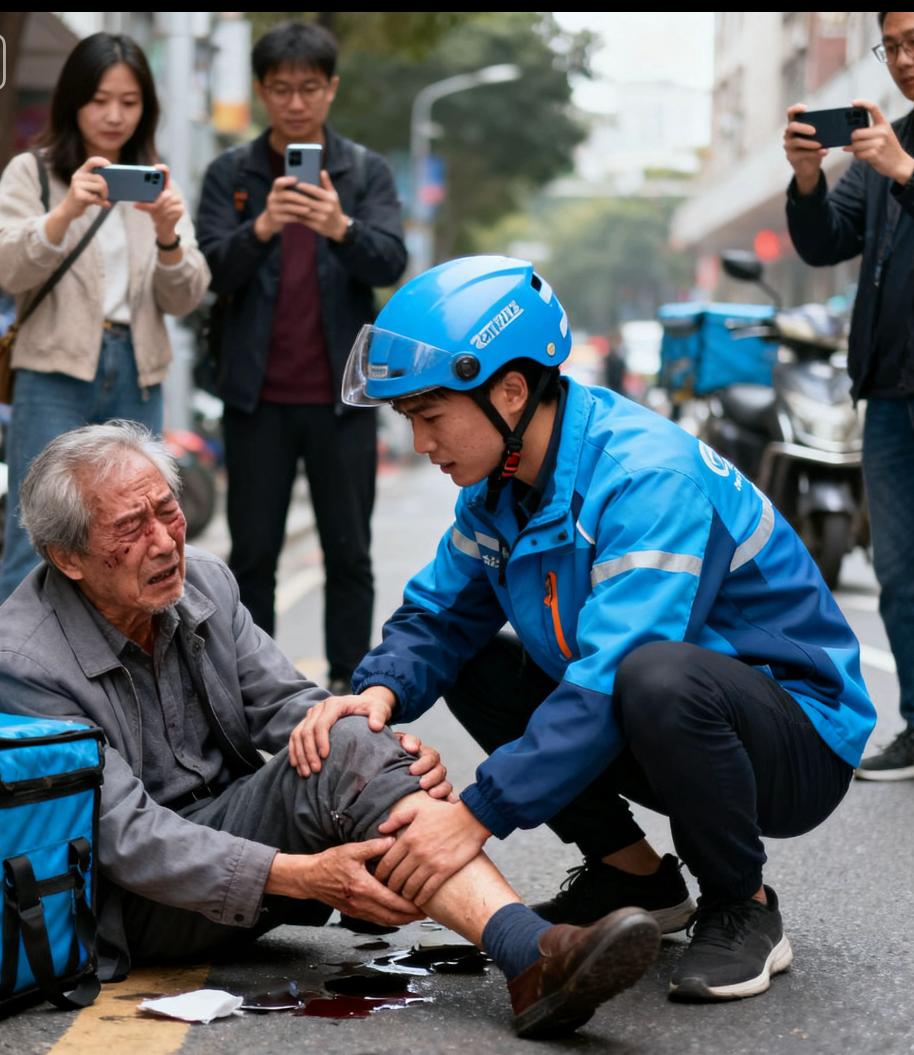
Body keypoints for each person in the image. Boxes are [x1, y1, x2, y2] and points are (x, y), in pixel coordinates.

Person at [295, 255, 876, 1002]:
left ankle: (742, 905)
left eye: (430, 417)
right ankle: (630, 875)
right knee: (473, 661)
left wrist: (473, 816)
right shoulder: (500, 488)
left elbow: (612, 676)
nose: (421, 445)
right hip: (660, 718)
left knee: (654, 674)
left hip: (793, 739)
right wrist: (376, 693)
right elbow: (439, 616)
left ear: (508, 390)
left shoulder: (643, 477)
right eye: (411, 421)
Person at [0, 421, 661, 1039]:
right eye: (132, 526)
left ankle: (532, 954)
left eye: (166, 509)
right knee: (344, 758)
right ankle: (529, 949)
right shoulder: (25, 659)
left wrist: (386, 750)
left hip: (232, 840)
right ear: (69, 557)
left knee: (347, 736)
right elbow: (126, 839)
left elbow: (296, 708)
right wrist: (300, 875)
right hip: (139, 899)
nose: (166, 540)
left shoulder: (203, 582)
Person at [195, 21, 406, 693]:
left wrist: (338, 226)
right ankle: (252, 692)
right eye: (281, 88)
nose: (294, 102)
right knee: (252, 556)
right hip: (255, 397)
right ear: (261, 91)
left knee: (350, 553)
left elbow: (390, 259)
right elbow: (206, 272)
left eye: (309, 88)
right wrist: (261, 226)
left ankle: (348, 684)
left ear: (331, 89)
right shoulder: (231, 174)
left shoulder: (364, 171)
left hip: (342, 397)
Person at [0, 31, 209, 601]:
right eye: (99, 99)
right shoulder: (34, 173)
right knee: (35, 533)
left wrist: (167, 236)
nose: (114, 115)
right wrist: (66, 211)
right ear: (73, 101)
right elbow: (8, 266)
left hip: (136, 373)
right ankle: (17, 682)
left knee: (138, 532)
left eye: (129, 101)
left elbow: (186, 296)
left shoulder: (158, 183)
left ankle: (113, 676)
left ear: (146, 108)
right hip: (54, 371)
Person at [784, 12, 914, 781]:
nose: (901, 59)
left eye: (912, 42)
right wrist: (807, 179)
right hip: (890, 392)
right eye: (891, 45)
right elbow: (825, 240)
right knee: (900, 569)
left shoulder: (892, 152)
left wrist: (906, 170)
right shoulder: (880, 141)